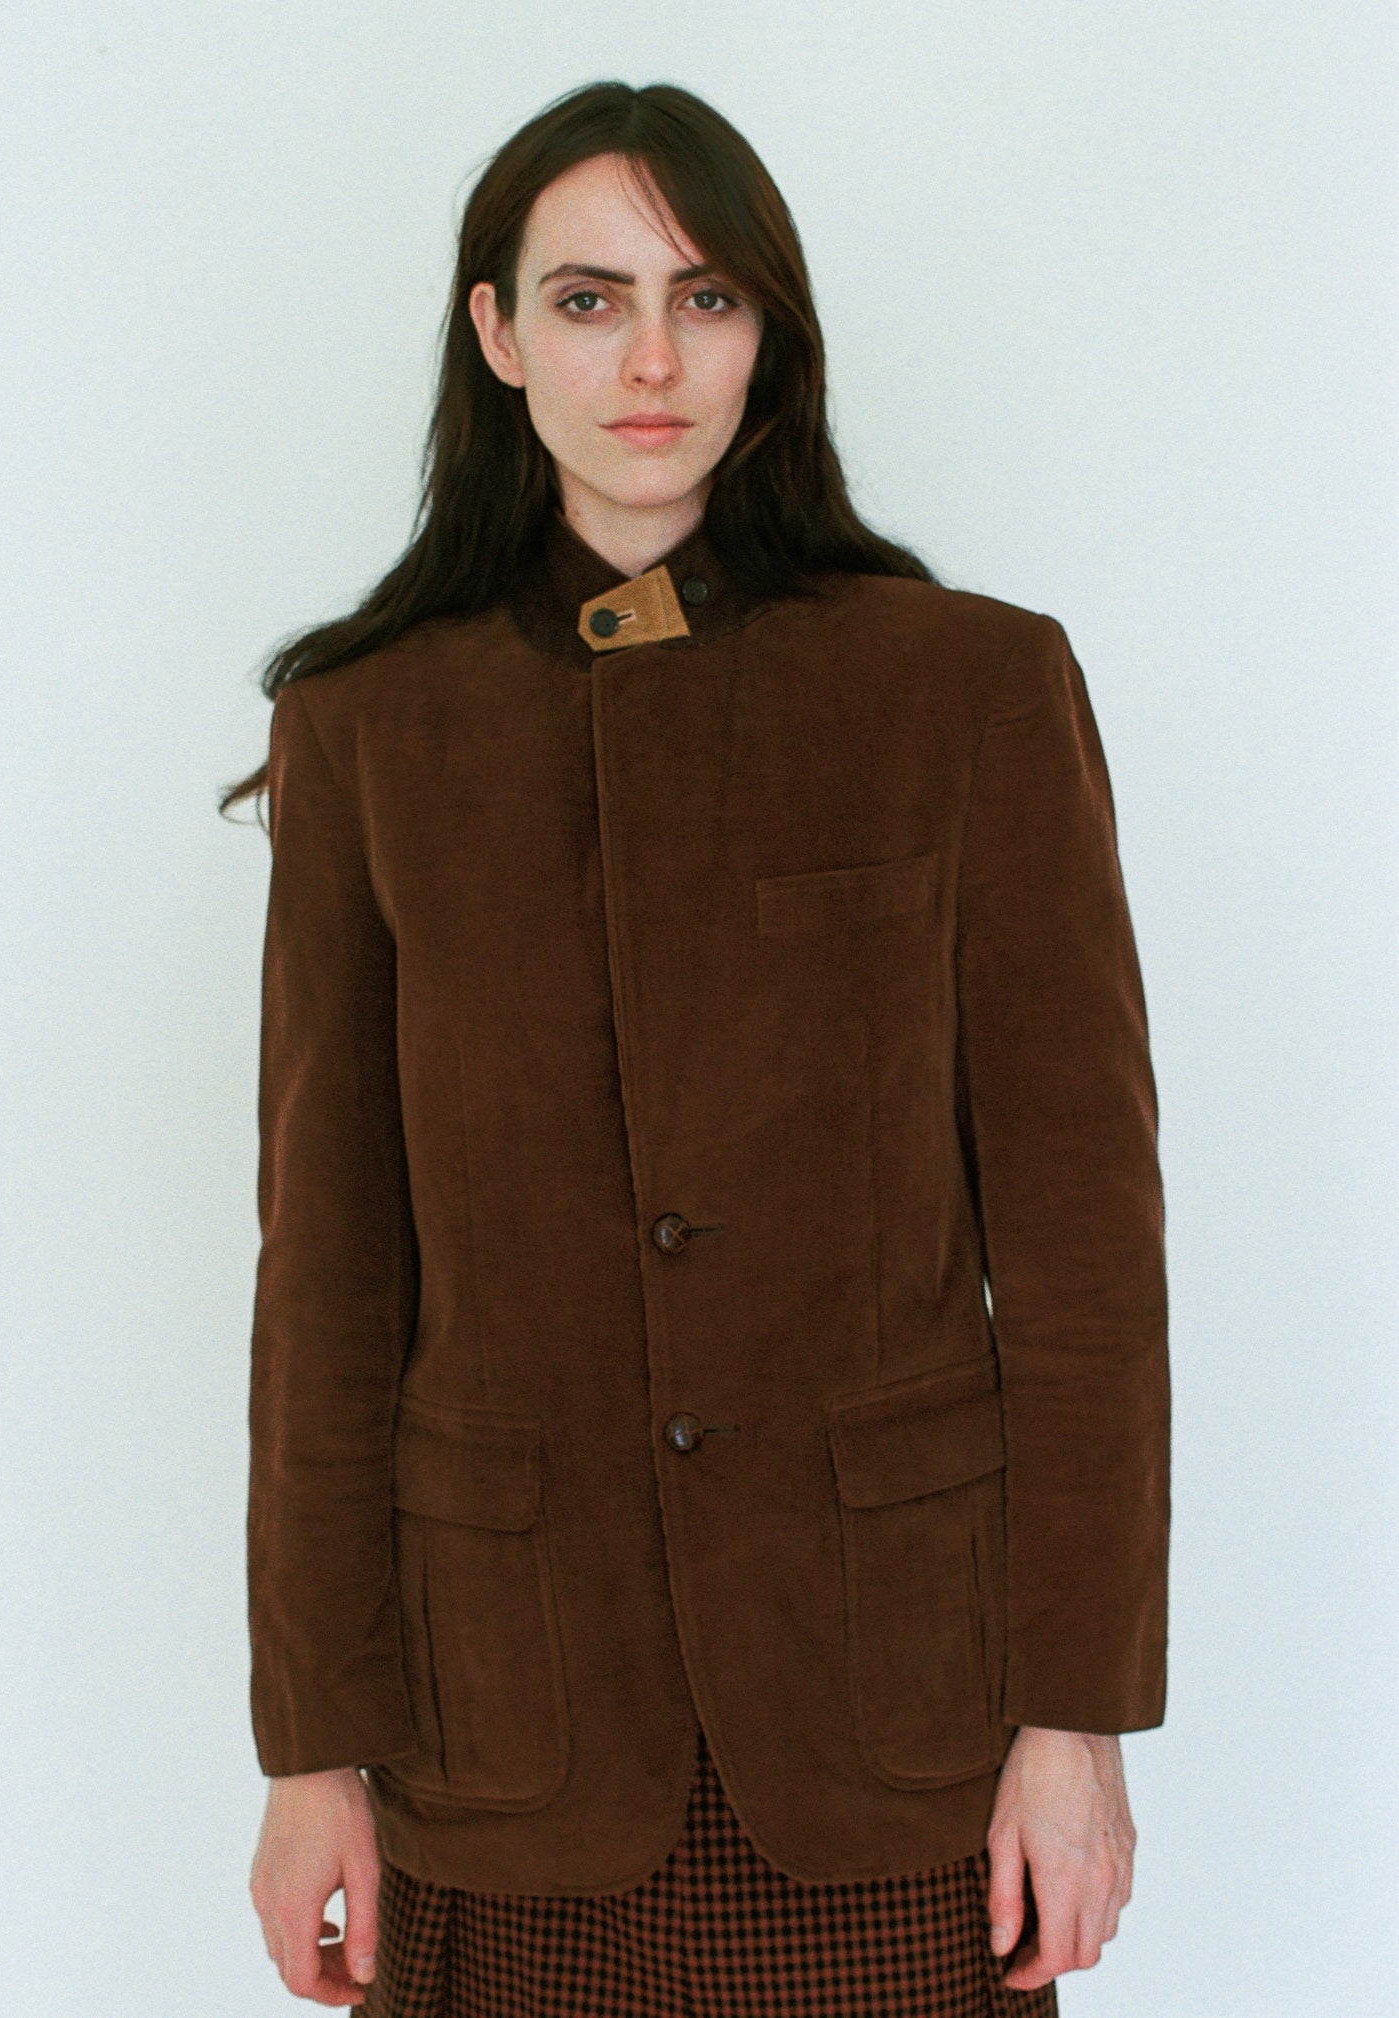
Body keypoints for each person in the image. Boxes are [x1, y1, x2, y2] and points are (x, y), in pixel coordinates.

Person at [223, 78, 1169, 2018]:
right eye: (587, 298)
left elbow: (1083, 1260)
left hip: (893, 1736)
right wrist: (312, 1752)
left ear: (772, 336)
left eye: (707, 294)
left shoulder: (966, 689)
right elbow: (327, 1282)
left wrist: (1077, 1722)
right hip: (505, 1731)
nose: (651, 354)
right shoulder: (373, 731)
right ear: (493, 333)